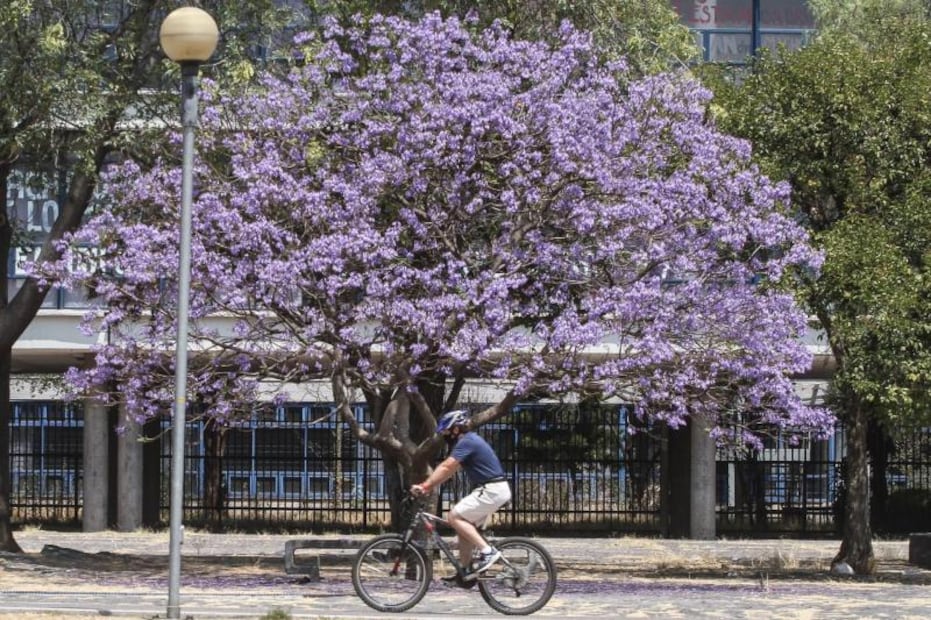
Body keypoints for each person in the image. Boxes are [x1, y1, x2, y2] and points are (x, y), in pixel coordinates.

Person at [410, 409, 511, 586]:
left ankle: (488, 552)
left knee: (454, 516)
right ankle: (465, 572)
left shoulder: (467, 441)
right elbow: (449, 472)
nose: (445, 436)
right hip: (492, 489)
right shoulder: (467, 443)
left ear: (456, 429)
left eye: (446, 431)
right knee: (464, 525)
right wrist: (431, 485)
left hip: (492, 489)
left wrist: (425, 486)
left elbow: (447, 466)